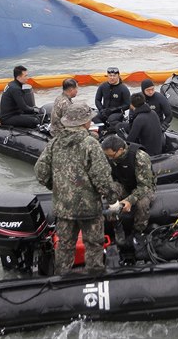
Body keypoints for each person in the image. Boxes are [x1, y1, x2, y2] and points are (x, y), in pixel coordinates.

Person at [34, 103, 117, 275]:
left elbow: (40, 172)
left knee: (64, 247)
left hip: (63, 208)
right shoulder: (90, 144)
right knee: (94, 245)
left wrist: (55, 186)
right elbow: (102, 177)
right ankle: (94, 280)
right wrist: (112, 200)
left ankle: (61, 282)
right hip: (89, 208)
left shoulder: (54, 144)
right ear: (85, 122)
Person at [101, 135, 156, 242]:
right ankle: (116, 224)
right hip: (125, 185)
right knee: (110, 192)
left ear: (120, 150)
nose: (110, 159)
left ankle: (138, 231)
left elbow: (144, 186)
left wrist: (130, 200)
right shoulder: (110, 157)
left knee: (142, 203)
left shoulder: (140, 157)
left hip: (143, 187)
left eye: (112, 156)